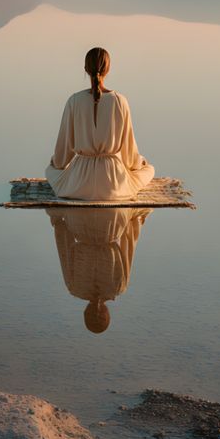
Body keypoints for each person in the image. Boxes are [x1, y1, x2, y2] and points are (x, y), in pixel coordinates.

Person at [46, 46, 155, 201]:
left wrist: (56, 162)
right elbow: (129, 155)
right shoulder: (120, 101)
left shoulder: (74, 101)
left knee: (50, 170)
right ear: (108, 69)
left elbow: (63, 152)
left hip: (78, 184)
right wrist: (139, 163)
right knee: (149, 170)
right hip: (113, 184)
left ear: (85, 69)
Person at [47, 205, 152, 332]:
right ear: (85, 312)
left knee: (140, 207)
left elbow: (128, 243)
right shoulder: (75, 288)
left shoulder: (118, 288)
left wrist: (135, 220)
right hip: (80, 222)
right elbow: (64, 246)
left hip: (111, 222)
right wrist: (58, 220)